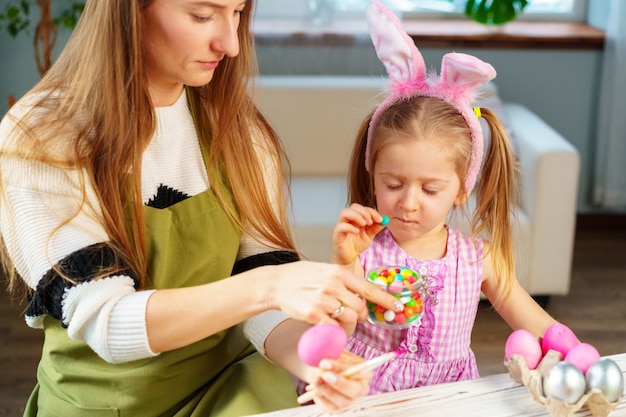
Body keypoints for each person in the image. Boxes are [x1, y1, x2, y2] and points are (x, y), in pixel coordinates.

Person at [0, 0, 404, 415]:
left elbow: (260, 309)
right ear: (130, 11)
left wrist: (316, 365)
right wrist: (269, 287)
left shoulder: (238, 131)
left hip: (227, 385)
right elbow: (108, 323)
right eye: (202, 15)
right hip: (102, 404)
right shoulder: (42, 136)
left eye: (237, 13)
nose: (230, 44)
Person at [330, 0, 560, 395]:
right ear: (372, 175)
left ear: (461, 189)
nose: (408, 202)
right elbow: (336, 334)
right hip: (366, 392)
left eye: (430, 189)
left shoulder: (477, 258)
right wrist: (344, 263)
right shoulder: (362, 251)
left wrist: (573, 350)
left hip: (449, 395)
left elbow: (537, 324)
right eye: (393, 184)